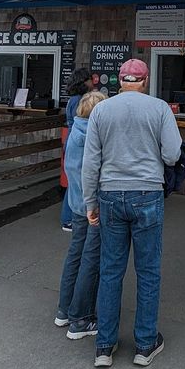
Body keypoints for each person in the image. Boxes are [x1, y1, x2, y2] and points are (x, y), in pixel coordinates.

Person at [82, 58, 182, 369]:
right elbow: (172, 154)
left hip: (110, 195)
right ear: (145, 80)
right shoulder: (159, 108)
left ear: (120, 81)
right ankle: (144, 344)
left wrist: (89, 203)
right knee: (148, 271)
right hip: (147, 194)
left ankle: (104, 346)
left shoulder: (101, 109)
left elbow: (90, 163)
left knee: (110, 271)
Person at [54, 90, 107, 337]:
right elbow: (94, 172)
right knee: (90, 259)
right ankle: (81, 318)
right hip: (91, 206)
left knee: (75, 256)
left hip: (75, 203)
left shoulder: (76, 130)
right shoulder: (92, 136)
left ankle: (64, 310)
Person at [60, 68, 93, 231]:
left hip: (72, 142)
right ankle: (68, 219)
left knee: (75, 182)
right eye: (89, 79)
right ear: (83, 82)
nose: (92, 82)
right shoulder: (78, 100)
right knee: (75, 183)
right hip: (77, 143)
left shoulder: (74, 99)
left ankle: (71, 216)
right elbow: (80, 124)